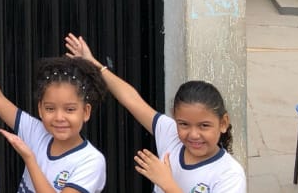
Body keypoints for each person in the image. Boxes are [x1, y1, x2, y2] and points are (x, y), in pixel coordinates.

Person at [64, 34, 245, 193]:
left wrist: (168, 184)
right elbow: (132, 100)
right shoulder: (171, 134)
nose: (193, 134)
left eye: (204, 125)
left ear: (223, 123)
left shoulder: (230, 174)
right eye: (183, 124)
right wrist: (93, 64)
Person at [0, 13, 106, 193]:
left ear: (86, 112)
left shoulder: (91, 160)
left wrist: (30, 158)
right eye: (50, 108)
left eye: (70, 109)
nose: (59, 117)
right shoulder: (37, 132)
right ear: (40, 108)